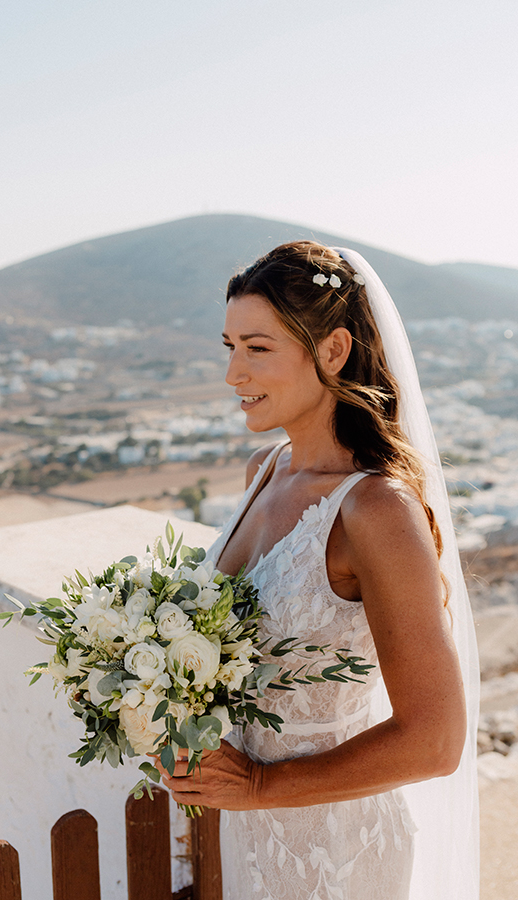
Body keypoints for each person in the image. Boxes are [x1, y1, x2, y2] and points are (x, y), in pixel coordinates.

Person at [161, 242, 480, 900]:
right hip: (244, 836)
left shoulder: (375, 510)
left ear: (332, 351)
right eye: (229, 347)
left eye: (257, 348)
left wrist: (261, 786)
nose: (232, 374)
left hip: (337, 848)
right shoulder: (266, 471)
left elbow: (437, 739)